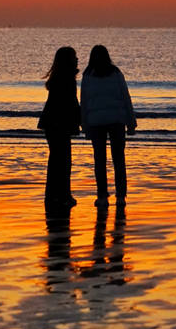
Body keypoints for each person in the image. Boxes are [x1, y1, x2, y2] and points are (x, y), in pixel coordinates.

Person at [80, 44, 136, 208]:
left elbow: (84, 102)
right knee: (119, 159)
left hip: (96, 121)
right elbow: (126, 97)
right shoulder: (116, 73)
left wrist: (85, 125)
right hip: (116, 120)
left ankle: (102, 196)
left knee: (100, 160)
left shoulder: (88, 75)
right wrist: (131, 122)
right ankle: (120, 196)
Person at [38, 46, 80, 209]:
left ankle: (54, 195)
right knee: (62, 161)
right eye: (74, 57)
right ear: (68, 60)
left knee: (57, 160)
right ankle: (62, 195)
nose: (77, 59)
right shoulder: (67, 77)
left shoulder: (59, 76)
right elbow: (70, 103)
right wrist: (80, 119)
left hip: (52, 123)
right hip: (58, 124)